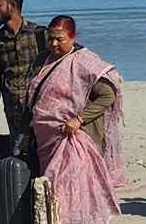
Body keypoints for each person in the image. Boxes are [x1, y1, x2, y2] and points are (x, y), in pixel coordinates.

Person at [24, 16, 124, 224]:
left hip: (72, 140)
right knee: (51, 190)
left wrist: (79, 119)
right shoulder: (43, 59)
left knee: (67, 190)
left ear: (73, 37)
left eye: (59, 39)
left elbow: (108, 95)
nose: (53, 44)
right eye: (50, 39)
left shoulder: (83, 61)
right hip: (45, 141)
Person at [0, 0, 48, 149]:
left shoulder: (40, 34)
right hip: (14, 114)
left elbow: (63, 63)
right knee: (19, 154)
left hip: (42, 111)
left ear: (12, 6)